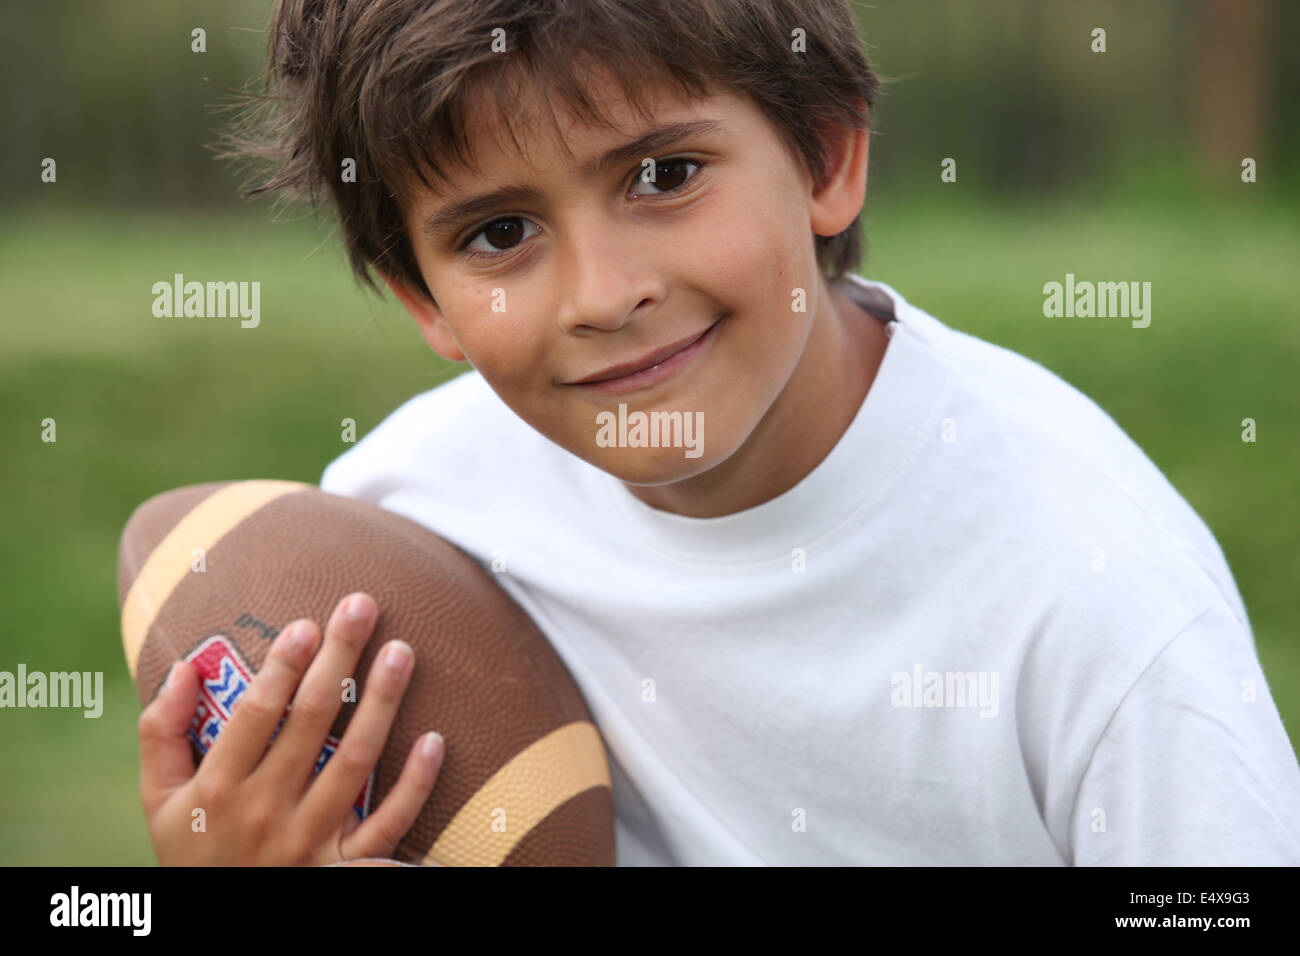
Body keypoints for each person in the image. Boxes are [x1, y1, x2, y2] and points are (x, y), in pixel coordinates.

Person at [137, 0, 1300, 865]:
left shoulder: (1095, 596)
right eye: (498, 233)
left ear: (825, 159)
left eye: (664, 173)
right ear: (425, 302)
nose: (602, 291)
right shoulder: (407, 518)